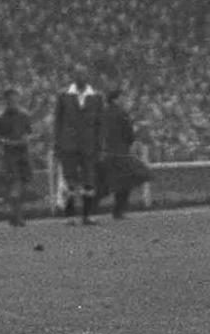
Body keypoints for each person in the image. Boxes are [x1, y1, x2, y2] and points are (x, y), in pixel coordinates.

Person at [96, 86, 149, 219]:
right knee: (129, 180)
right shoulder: (121, 113)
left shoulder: (103, 113)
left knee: (110, 183)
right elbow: (129, 134)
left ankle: (91, 208)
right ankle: (118, 210)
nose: (124, 99)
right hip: (120, 153)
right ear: (116, 99)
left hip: (106, 153)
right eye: (122, 97)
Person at [52, 72, 98, 223]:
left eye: (84, 74)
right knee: (69, 181)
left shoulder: (96, 96)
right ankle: (70, 216)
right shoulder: (64, 96)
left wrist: (99, 145)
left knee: (89, 181)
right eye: (78, 74)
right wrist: (57, 144)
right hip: (69, 145)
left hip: (88, 146)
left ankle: (87, 216)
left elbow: (100, 123)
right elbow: (57, 122)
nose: (81, 77)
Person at [0, 89, 35, 225]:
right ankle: (17, 216)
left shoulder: (24, 116)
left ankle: (15, 213)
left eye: (15, 100)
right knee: (15, 185)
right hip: (11, 157)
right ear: (6, 101)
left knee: (24, 185)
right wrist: (7, 146)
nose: (13, 103)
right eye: (10, 100)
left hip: (23, 155)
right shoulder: (1, 119)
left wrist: (13, 142)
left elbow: (28, 136)